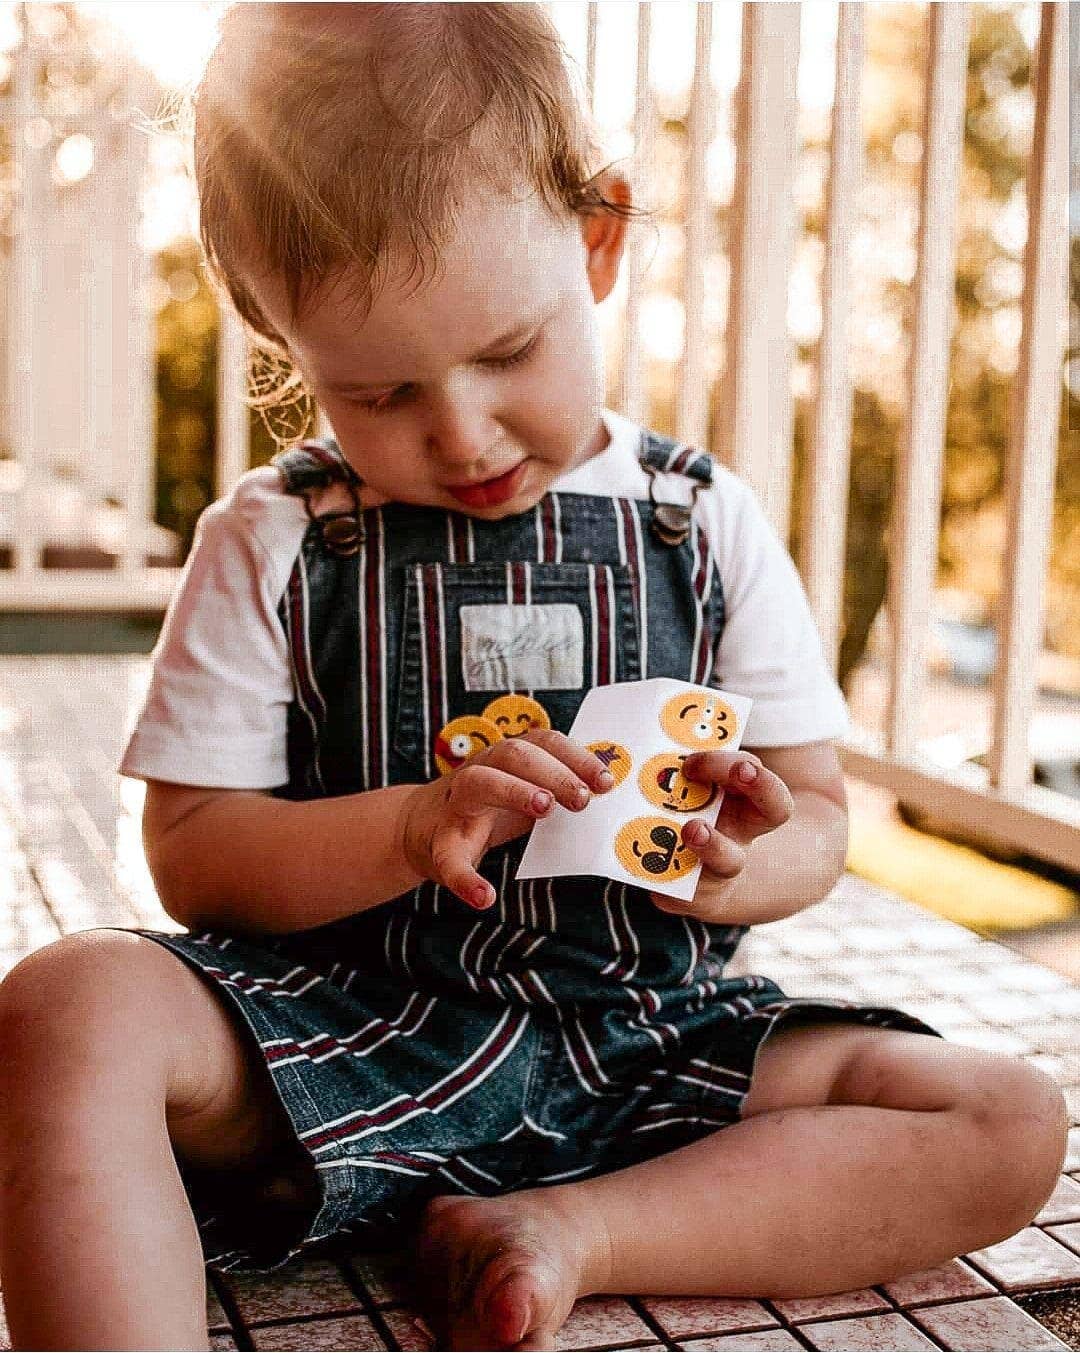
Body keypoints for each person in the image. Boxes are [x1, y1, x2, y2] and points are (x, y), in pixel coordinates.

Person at [0, 5, 1066, 1350]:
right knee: (70, 1005)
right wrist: (409, 826)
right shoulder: (276, 537)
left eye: (507, 353)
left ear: (599, 238)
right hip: (345, 1036)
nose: (461, 433)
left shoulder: (702, 523)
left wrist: (739, 862)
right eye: (378, 393)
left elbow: (821, 821)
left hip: (651, 1039)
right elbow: (195, 857)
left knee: (1008, 1116)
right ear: (281, 337)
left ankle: (582, 1229)